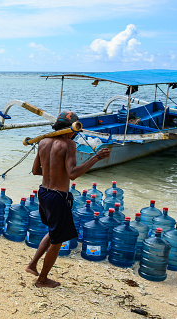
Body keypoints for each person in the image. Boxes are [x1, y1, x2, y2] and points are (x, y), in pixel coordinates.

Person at [25, 111, 110, 288]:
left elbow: (35, 171)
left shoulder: (43, 142)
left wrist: (53, 172)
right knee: (57, 241)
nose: (75, 134)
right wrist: (96, 157)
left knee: (53, 231)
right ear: (71, 128)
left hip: (43, 192)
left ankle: (32, 265)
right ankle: (42, 280)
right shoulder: (69, 144)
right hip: (57, 197)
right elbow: (72, 174)